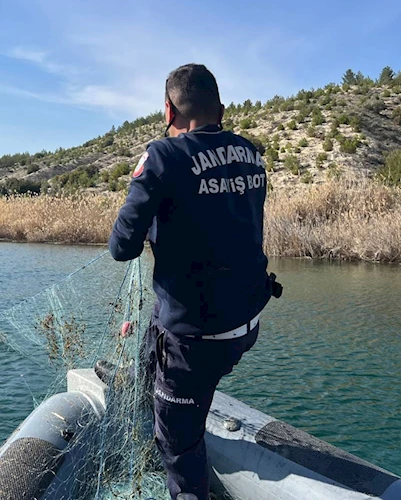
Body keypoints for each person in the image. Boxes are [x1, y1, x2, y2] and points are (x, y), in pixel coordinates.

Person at [106, 64, 280, 500]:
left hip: (194, 340)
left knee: (179, 448)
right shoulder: (251, 153)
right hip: (245, 322)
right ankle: (147, 384)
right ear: (220, 108)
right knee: (155, 329)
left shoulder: (163, 156)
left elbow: (121, 247)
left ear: (168, 109)